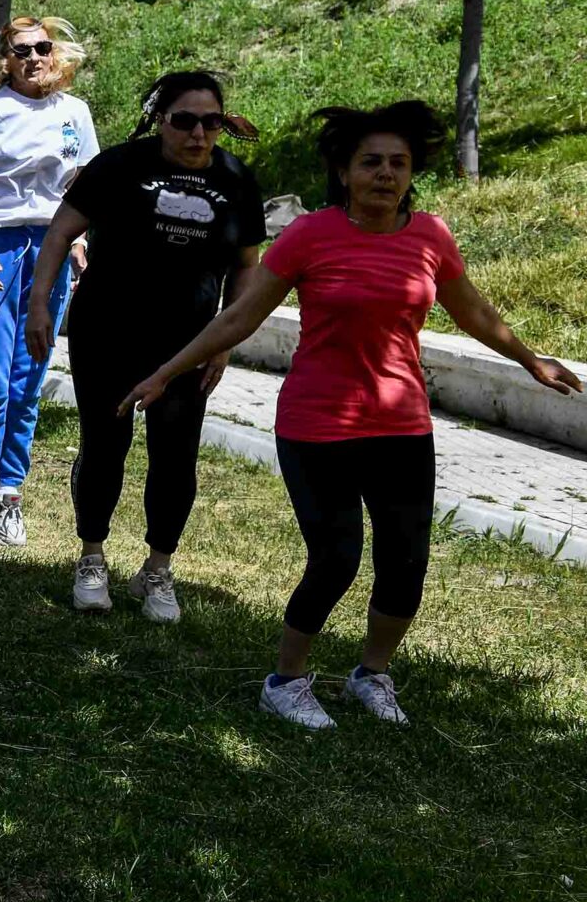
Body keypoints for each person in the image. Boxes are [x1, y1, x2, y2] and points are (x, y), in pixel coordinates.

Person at [125, 100, 577, 728]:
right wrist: (166, 371)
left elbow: (474, 312)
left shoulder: (430, 237)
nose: (385, 174)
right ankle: (285, 681)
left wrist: (532, 362)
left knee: (407, 562)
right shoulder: (309, 236)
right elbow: (241, 315)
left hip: (402, 424)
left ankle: (373, 673)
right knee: (336, 558)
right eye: (371, 163)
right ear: (343, 172)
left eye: (398, 163)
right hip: (318, 423)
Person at [27, 71, 264, 621]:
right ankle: (92, 557)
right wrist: (41, 302)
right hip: (107, 332)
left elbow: (246, 266)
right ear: (162, 119)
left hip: (188, 345)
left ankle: (157, 570)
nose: (198, 133)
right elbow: (61, 232)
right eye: (185, 120)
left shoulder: (236, 180)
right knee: (105, 444)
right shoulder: (118, 166)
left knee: (176, 456)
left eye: (211, 122)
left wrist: (226, 339)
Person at [0, 15, 99, 546]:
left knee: (27, 383)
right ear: (5, 60)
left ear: (54, 54)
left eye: (42, 47)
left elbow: (85, 188)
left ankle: (11, 493)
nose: (34, 57)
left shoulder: (74, 113)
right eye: (22, 50)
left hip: (50, 249)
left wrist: (78, 243)